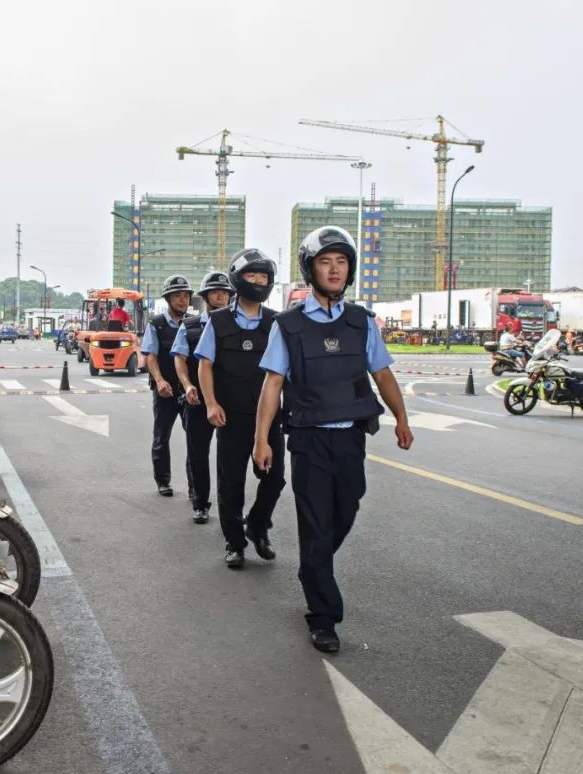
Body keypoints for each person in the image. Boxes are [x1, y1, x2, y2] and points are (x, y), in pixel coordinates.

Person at [253, 226, 413, 654]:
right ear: (311, 269)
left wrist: (401, 417)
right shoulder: (287, 326)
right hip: (308, 439)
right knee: (316, 524)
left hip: (350, 438)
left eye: (342, 261)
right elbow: (272, 384)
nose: (335, 269)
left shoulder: (362, 322)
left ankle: (313, 567)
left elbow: (382, 374)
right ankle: (323, 615)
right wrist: (261, 439)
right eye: (326, 261)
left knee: (346, 509)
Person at [196, 249, 285, 569]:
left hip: (269, 418)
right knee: (231, 483)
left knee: (274, 480)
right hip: (230, 416)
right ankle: (235, 543)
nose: (259, 282)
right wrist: (210, 403)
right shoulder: (218, 322)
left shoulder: (277, 322)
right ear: (238, 279)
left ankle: (258, 526)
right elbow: (205, 365)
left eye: (264, 277)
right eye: (252, 276)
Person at [172, 270, 234, 524]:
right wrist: (187, 385)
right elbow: (179, 358)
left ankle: (230, 506)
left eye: (224, 292)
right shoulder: (190, 326)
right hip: (197, 400)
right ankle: (200, 503)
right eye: (214, 291)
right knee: (198, 454)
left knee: (230, 457)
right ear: (206, 296)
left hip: (231, 400)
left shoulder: (238, 325)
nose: (220, 295)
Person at [141, 276, 193, 497]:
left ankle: (195, 486)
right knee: (161, 436)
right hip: (165, 389)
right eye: (177, 296)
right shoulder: (157, 324)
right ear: (168, 299)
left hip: (189, 390)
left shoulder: (194, 324)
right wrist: (160, 381)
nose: (182, 300)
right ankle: (163, 481)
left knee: (194, 438)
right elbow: (151, 356)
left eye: (185, 296)